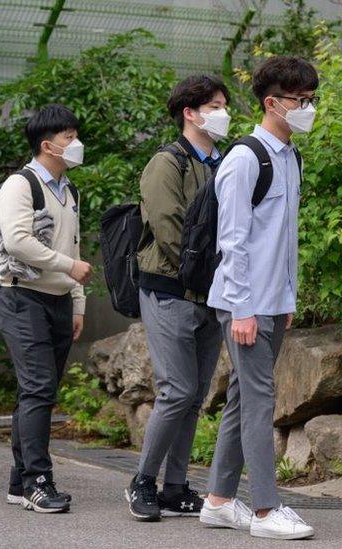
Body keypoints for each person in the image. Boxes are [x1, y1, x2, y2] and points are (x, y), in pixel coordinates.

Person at [198, 56, 317, 541]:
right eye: (300, 101)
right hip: (244, 304)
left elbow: (282, 238)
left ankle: (218, 501)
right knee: (259, 401)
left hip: (272, 302)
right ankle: (266, 511)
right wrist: (243, 308)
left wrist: (286, 298)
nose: (308, 108)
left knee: (244, 399)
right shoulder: (247, 158)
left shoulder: (291, 157)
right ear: (272, 103)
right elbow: (234, 241)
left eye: (312, 99)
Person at [123, 75, 231, 521]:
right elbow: (169, 231)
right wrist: (210, 277)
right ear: (190, 112)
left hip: (210, 293)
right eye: (215, 105)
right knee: (176, 390)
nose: (224, 113)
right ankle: (142, 482)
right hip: (171, 291)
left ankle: (175, 486)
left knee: (195, 393)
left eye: (225, 105)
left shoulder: (221, 161)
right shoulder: (167, 163)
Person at [0, 104, 93, 514]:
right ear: (46, 144)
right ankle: (39, 481)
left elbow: (73, 245)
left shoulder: (67, 189)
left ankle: (20, 481)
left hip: (57, 300)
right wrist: (67, 267)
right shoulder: (21, 184)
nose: (76, 143)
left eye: (74, 133)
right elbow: (17, 241)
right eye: (68, 136)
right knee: (37, 388)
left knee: (38, 391)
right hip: (21, 297)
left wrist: (77, 301)